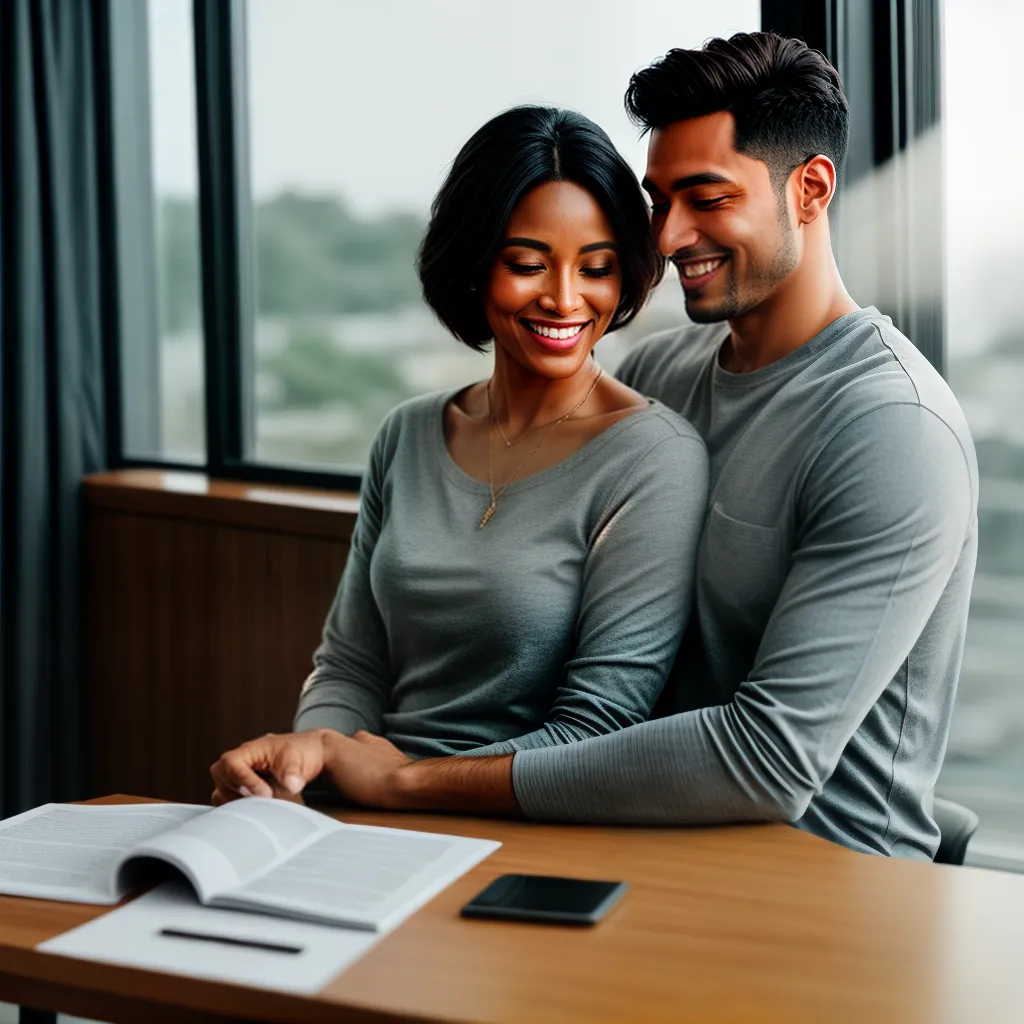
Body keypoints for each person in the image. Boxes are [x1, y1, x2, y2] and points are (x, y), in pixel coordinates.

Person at [212, 32, 978, 863]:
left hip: (828, 873)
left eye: (707, 197)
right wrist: (316, 767)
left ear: (811, 188)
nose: (672, 235)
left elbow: (771, 759)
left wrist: (407, 782)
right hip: (641, 834)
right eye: (659, 201)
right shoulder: (663, 372)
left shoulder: (892, 427)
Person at [210, 106, 709, 799]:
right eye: (528, 264)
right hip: (363, 806)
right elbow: (351, 665)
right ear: (476, 266)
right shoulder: (407, 434)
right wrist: (305, 763)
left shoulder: (654, 459)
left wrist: (403, 782)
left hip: (519, 819)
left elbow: (598, 728)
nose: (565, 299)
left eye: (596, 268)